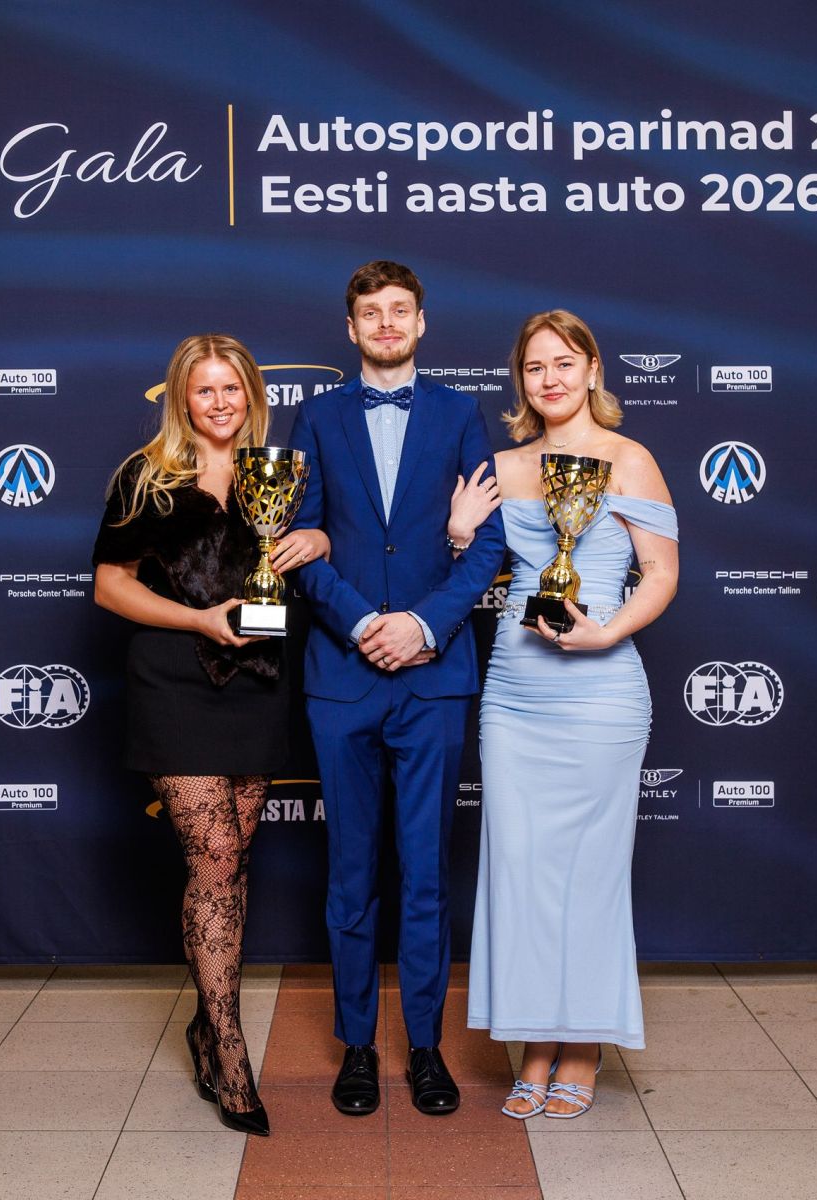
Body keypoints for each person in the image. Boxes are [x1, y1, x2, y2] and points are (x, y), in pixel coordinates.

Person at [92, 333, 328, 1136]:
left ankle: (205, 1021)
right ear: (182, 399)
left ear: (252, 395)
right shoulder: (147, 476)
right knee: (216, 854)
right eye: (205, 390)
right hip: (173, 681)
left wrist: (321, 538)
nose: (220, 403)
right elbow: (110, 586)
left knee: (235, 859)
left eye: (233, 388)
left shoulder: (282, 473)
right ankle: (228, 1047)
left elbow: (327, 544)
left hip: (257, 683)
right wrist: (197, 618)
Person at [287, 261, 506, 1117]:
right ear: (351, 329)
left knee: (424, 876)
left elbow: (487, 545)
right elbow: (297, 538)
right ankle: (354, 1046)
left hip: (432, 679)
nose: (385, 323)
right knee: (351, 875)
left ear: (422, 322)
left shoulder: (459, 414)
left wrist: (421, 625)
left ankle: (423, 1047)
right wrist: (359, 624)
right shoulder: (318, 416)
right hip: (343, 679)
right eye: (370, 312)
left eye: (399, 310)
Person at [465, 309, 679, 1119]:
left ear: (592, 369)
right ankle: (534, 1043)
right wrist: (459, 532)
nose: (549, 378)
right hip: (515, 691)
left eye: (563, 362)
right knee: (520, 870)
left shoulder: (632, 460)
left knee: (589, 872)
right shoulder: (502, 469)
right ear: (520, 381)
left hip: (600, 690)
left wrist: (607, 633)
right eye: (534, 367)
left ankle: (583, 1047)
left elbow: (661, 573)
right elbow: (467, 567)